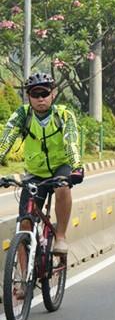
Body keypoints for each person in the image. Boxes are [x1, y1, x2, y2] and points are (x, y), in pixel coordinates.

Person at [0, 72, 83, 257]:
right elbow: (6, 139)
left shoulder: (63, 115)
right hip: (35, 173)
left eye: (44, 94)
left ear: (53, 94)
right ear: (28, 96)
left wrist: (77, 167)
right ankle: (21, 283)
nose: (40, 99)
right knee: (24, 225)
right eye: (35, 95)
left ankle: (60, 236)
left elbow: (72, 141)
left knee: (63, 188)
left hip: (59, 168)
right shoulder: (22, 114)